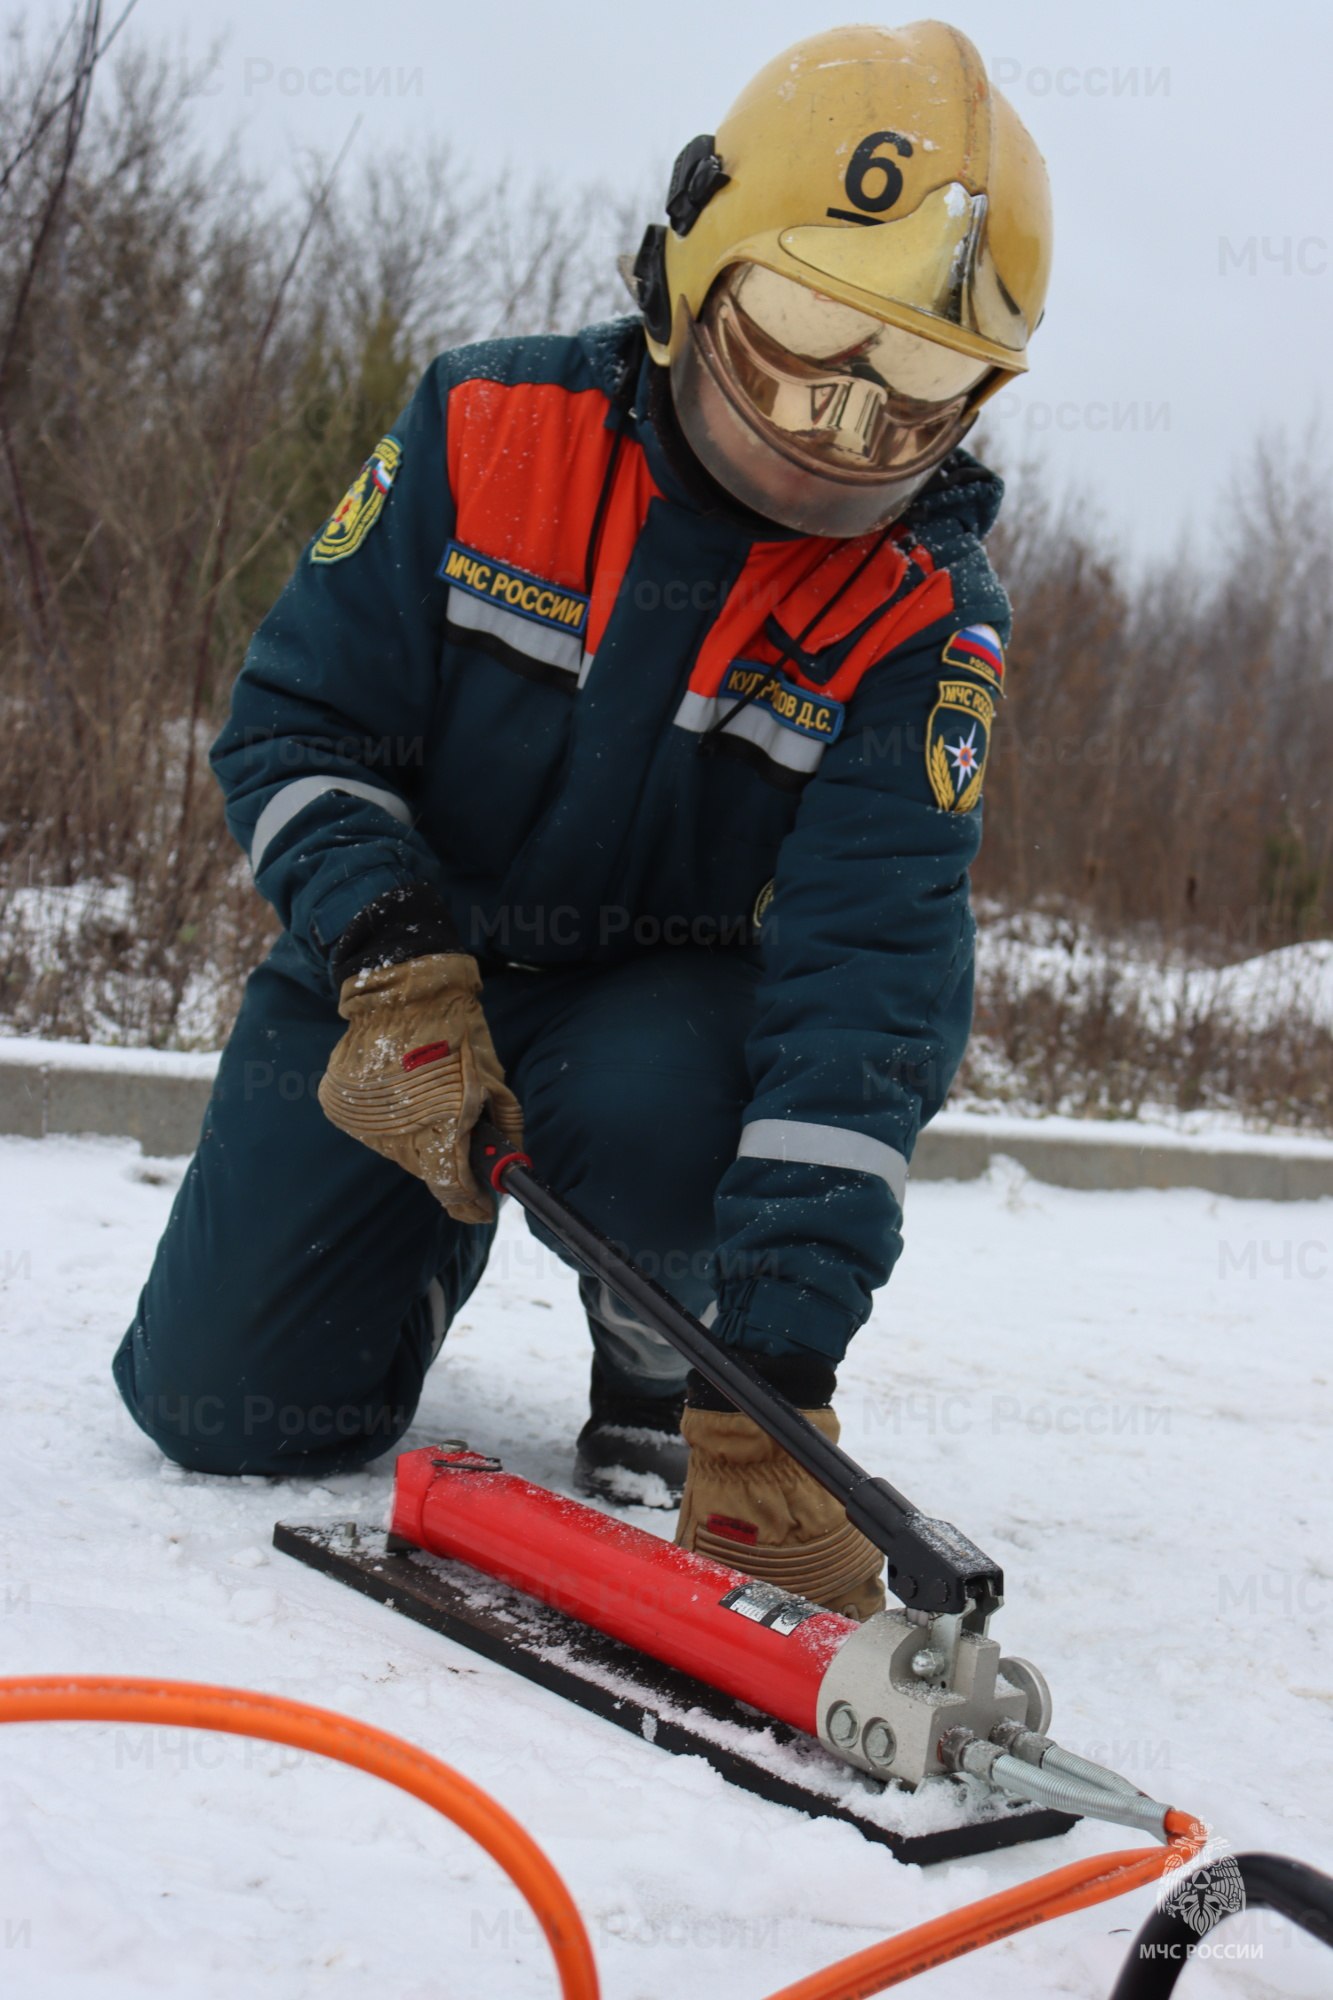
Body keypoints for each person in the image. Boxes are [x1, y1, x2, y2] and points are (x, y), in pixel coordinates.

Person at [113, 22, 1051, 1622]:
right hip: (389, 977)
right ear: (696, 265)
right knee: (222, 1411)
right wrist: (388, 953)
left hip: (658, 1039)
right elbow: (298, 728)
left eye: (910, 389)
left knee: (674, 1113)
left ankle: (657, 1337)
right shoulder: (486, 426)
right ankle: (408, 1232)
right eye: (806, 335)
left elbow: (870, 975)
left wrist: (778, 1356)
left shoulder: (921, 615)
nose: (837, 428)